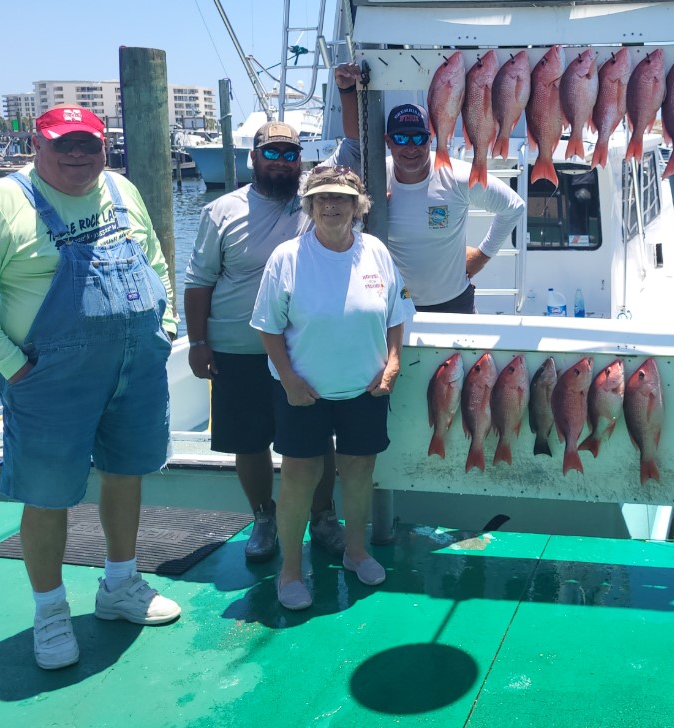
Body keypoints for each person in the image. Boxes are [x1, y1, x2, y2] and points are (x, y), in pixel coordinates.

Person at [0, 106, 181, 669]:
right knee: (47, 495)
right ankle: (50, 611)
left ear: (104, 147)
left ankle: (120, 584)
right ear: (38, 146)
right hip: (48, 378)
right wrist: (13, 367)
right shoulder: (1, 203)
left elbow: (155, 260)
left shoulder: (122, 189)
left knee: (126, 472)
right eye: (63, 144)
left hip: (136, 365)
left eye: (88, 143)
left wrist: (165, 324)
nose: (77, 154)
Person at [185, 111, 357, 562]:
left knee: (316, 439)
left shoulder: (313, 203)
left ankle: (323, 516)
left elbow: (355, 156)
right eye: (271, 152)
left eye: (290, 153)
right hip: (238, 348)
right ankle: (264, 516)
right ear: (253, 157)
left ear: (301, 160)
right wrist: (198, 343)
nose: (281, 160)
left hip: (301, 350)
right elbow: (199, 281)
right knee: (249, 441)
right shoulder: (220, 210)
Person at [250, 166, 415, 610]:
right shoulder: (287, 257)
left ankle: (355, 551)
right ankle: (289, 571)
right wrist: (288, 379)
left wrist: (393, 362)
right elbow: (267, 326)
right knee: (299, 477)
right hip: (303, 391)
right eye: (322, 197)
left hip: (365, 389)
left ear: (358, 206)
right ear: (309, 205)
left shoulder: (375, 251)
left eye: (341, 197)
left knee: (359, 472)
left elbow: (397, 313)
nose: (331, 204)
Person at [333, 67, 525, 312]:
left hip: (455, 302)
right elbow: (338, 224)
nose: (411, 147)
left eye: (419, 138)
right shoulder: (375, 180)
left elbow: (514, 207)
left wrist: (482, 256)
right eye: (401, 138)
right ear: (388, 141)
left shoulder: (457, 176)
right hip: (396, 305)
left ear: (431, 138)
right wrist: (363, 214)